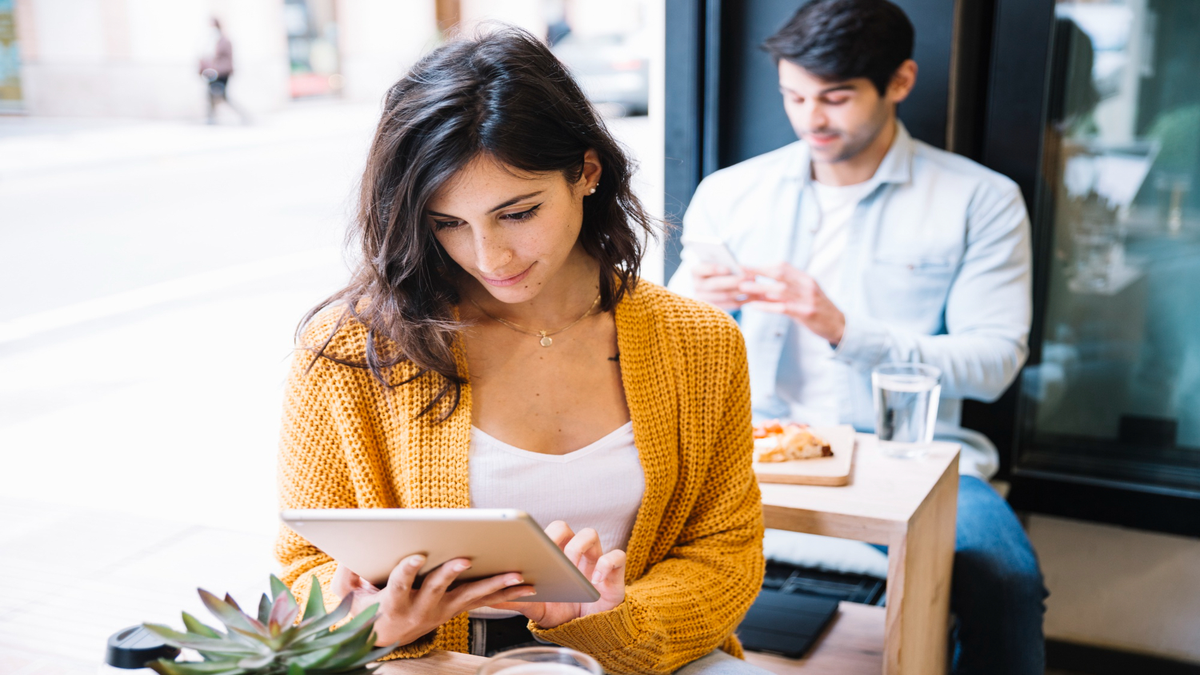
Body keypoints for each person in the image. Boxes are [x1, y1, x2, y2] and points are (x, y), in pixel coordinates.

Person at [274, 27, 768, 675]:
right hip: (427, 663)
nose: (489, 257)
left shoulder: (700, 341)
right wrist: (375, 621)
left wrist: (606, 618)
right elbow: (303, 565)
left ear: (586, 172)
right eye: (448, 223)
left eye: (517, 212)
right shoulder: (349, 347)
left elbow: (723, 552)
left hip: (635, 657)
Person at [667, 1, 1047, 673]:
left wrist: (844, 328)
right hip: (755, 444)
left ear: (900, 82)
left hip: (912, 456)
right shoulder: (731, 194)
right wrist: (693, 304)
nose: (810, 118)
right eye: (794, 96)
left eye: (835, 98)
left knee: (1004, 579)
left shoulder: (979, 200)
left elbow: (992, 363)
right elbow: (668, 347)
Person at [198, 18, 245, 124]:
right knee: (210, 95)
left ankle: (243, 115)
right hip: (215, 73)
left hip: (222, 73)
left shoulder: (224, 41)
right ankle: (211, 118)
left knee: (222, 96)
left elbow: (225, 59)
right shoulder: (212, 40)